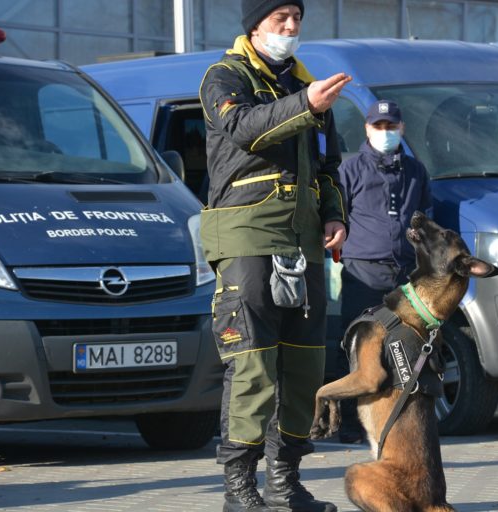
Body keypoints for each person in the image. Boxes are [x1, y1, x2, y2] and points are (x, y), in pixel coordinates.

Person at [198, 1, 351, 511]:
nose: (290, 28)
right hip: (246, 238)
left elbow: (328, 164)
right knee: (252, 367)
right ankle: (239, 492)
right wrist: (306, 103)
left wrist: (334, 214)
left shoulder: (303, 85)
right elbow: (245, 128)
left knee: (305, 368)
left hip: (302, 242)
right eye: (280, 18)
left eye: (296, 19)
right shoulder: (223, 76)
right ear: (255, 24)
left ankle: (286, 486)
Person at [335, 99, 432, 443]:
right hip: (363, 270)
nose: (385, 133)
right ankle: (349, 422)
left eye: (391, 126)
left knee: (402, 347)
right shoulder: (350, 170)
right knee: (359, 346)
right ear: (367, 129)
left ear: (401, 129)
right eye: (379, 126)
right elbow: (336, 215)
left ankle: (397, 417)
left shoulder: (415, 170)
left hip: (404, 273)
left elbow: (424, 213)